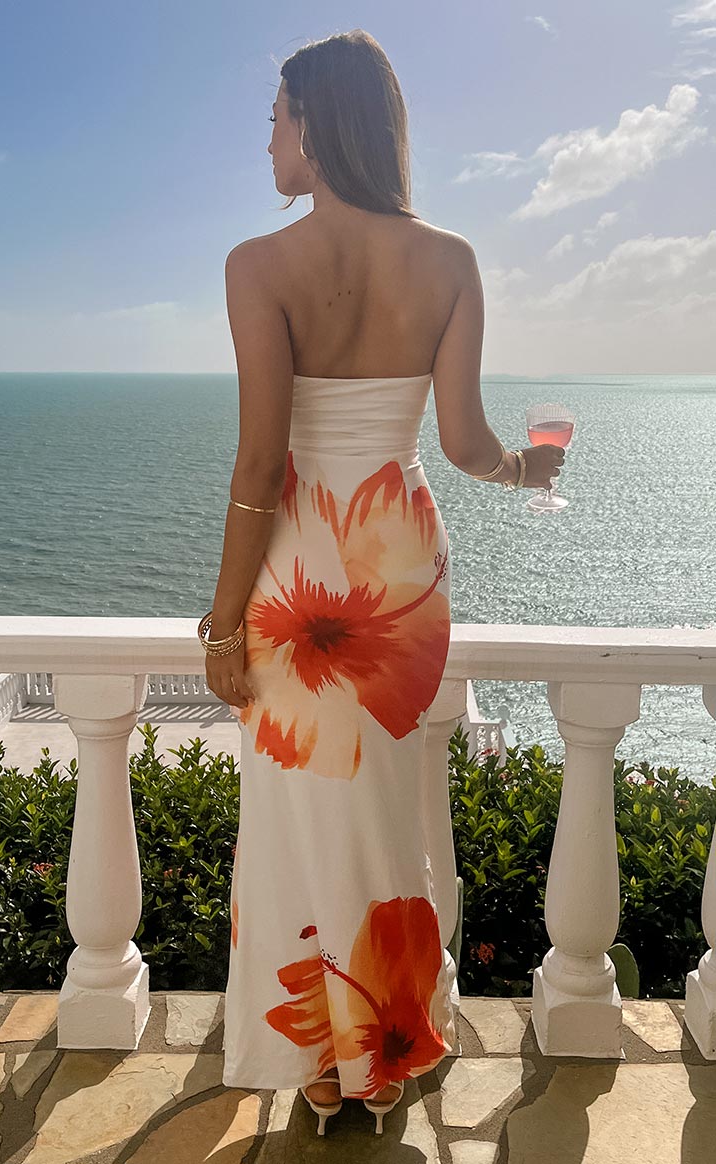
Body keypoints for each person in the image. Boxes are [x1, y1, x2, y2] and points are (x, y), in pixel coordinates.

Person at [200, 28, 564, 1137]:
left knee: (300, 818)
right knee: (385, 814)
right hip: (398, 567)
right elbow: (461, 441)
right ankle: (387, 1053)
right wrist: (520, 468)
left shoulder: (259, 267)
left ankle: (320, 1057)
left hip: (305, 567)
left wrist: (223, 621)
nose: (265, 137)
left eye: (276, 116)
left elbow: (262, 465)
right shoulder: (449, 260)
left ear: (317, 121)